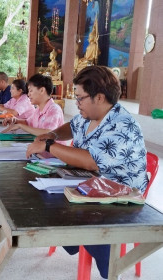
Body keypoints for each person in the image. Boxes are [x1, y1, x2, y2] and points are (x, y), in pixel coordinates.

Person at [26, 66, 148, 279]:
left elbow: (91, 162)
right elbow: (71, 127)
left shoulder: (122, 126)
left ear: (99, 97)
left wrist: (49, 146)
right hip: (90, 183)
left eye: (80, 98)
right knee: (41, 196)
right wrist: (52, 134)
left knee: (76, 215)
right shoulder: (87, 115)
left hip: (119, 197)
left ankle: (107, 266)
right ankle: (75, 241)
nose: (77, 103)